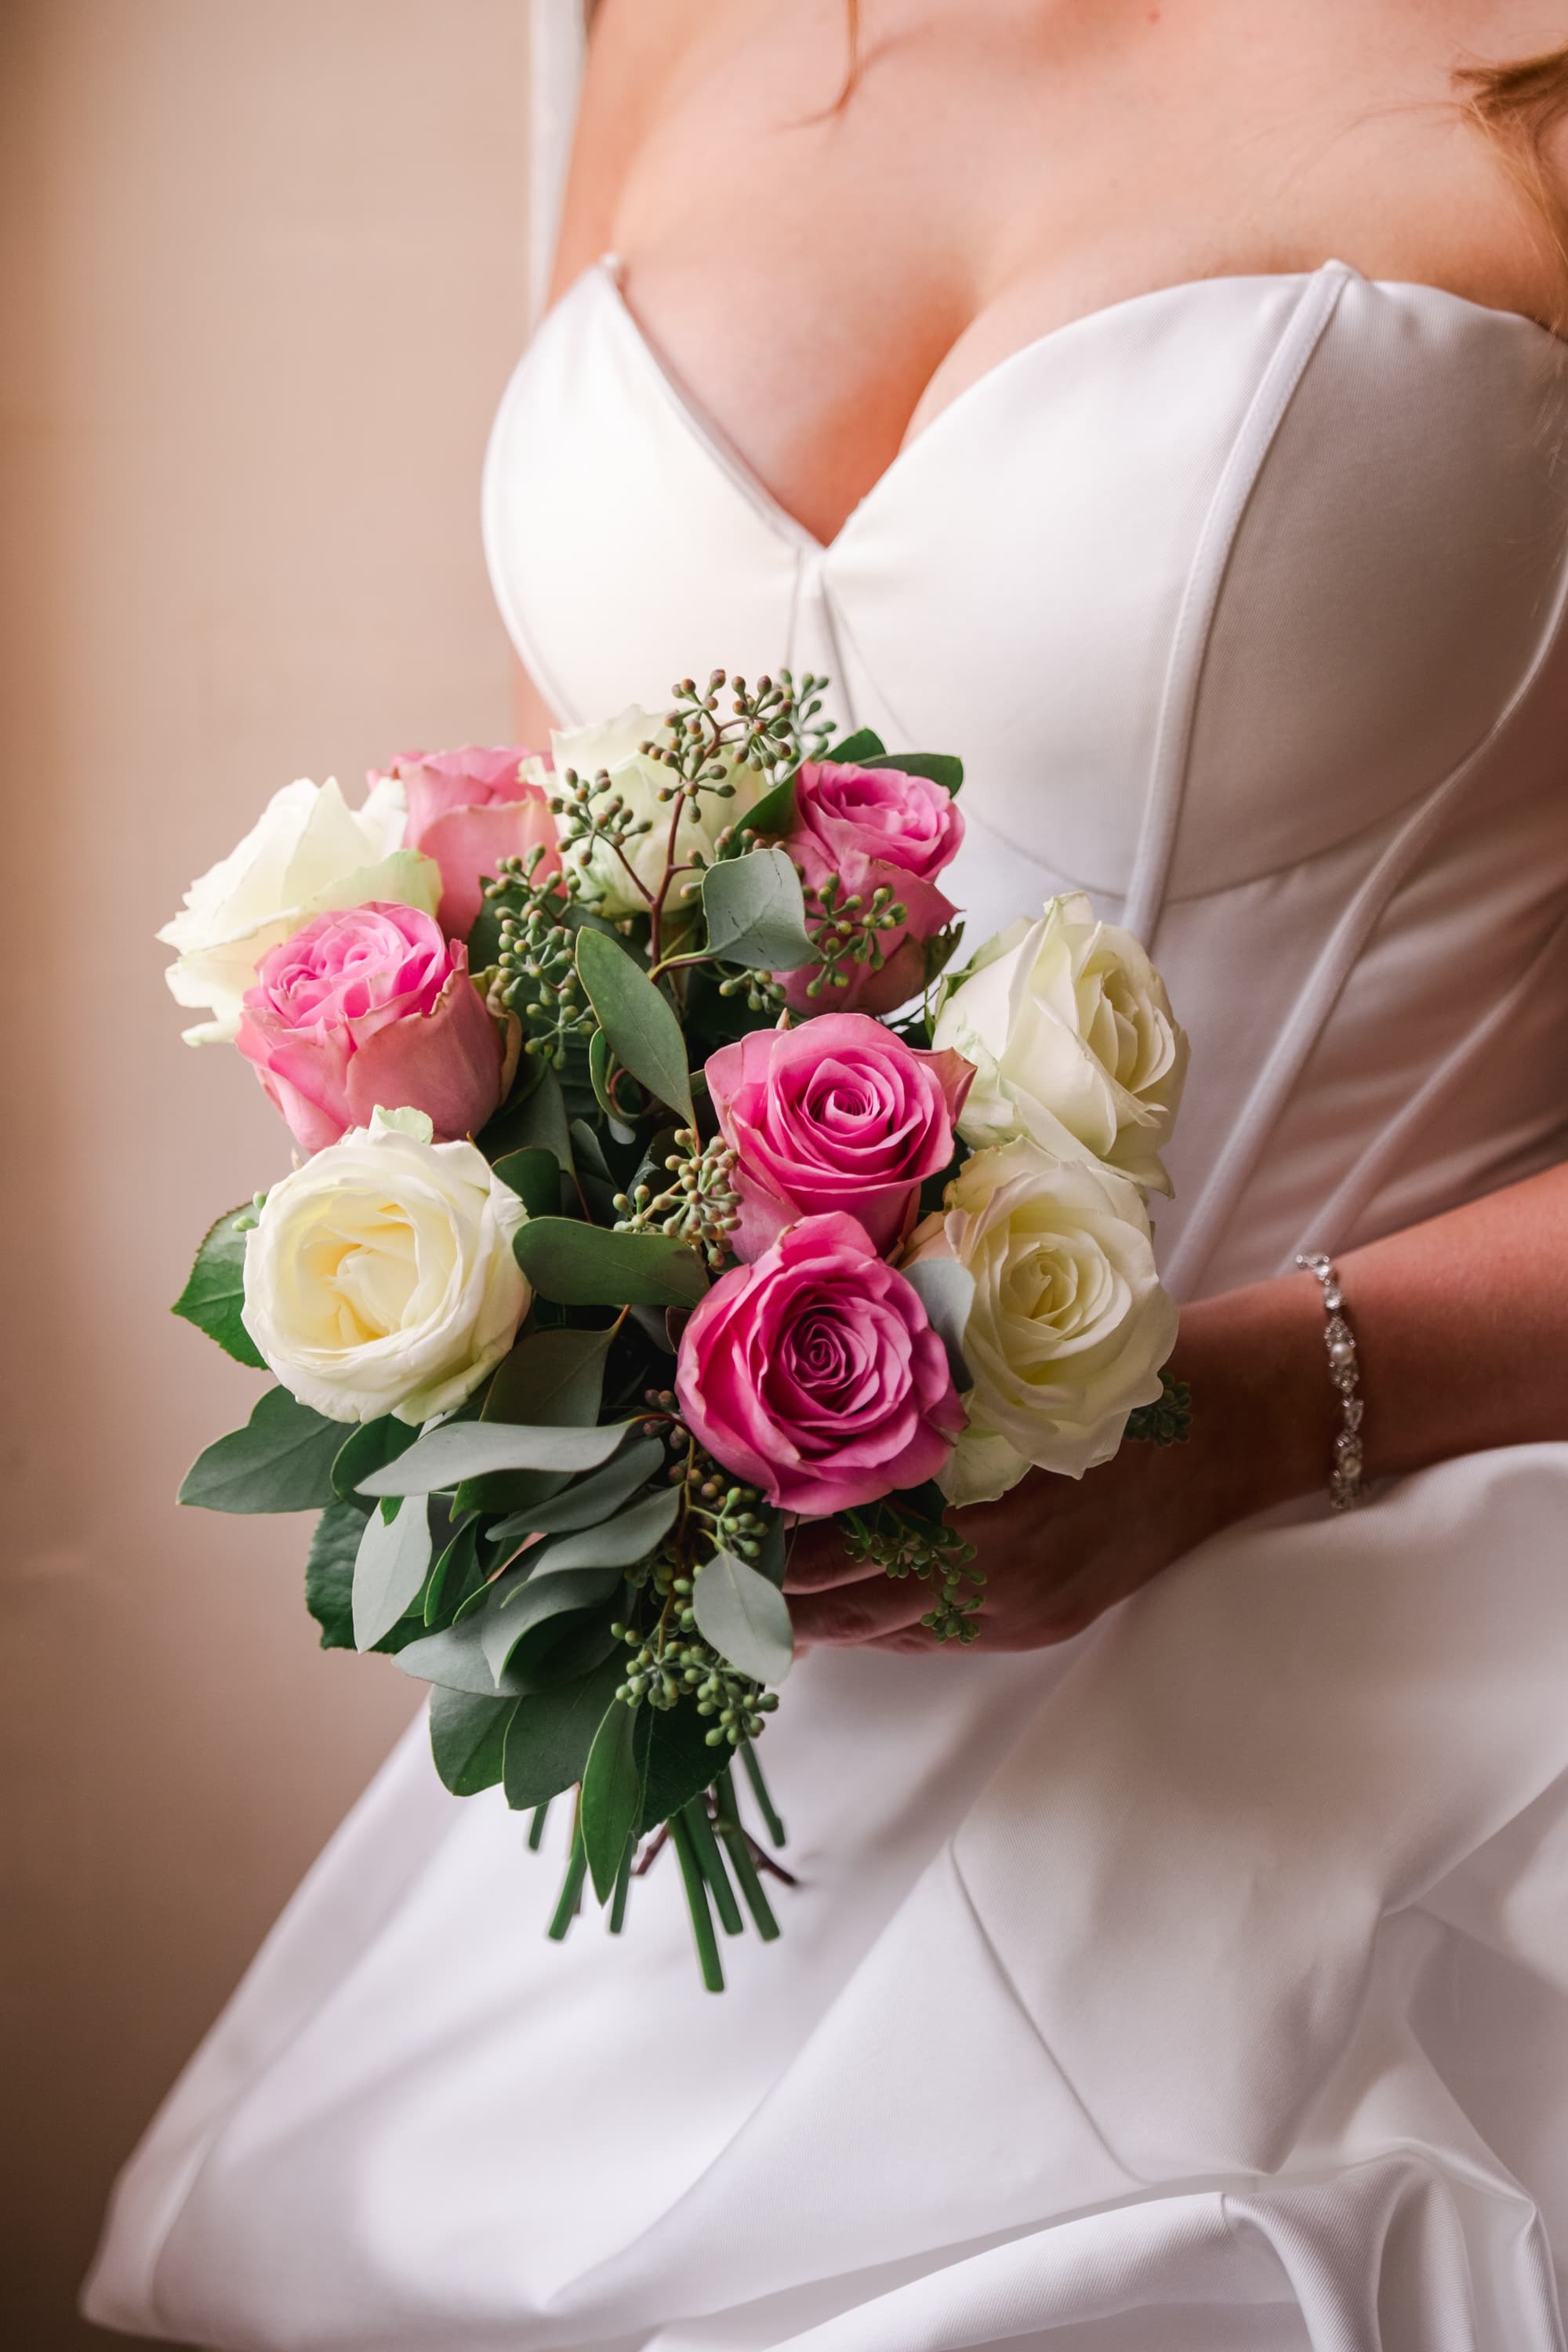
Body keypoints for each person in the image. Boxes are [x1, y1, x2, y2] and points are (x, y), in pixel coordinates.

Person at [85, 4, 1568, 2344]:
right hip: (756, 1689)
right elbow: (594, 877)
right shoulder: (631, 21)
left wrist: (1258, 1411)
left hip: (1413, 1647)